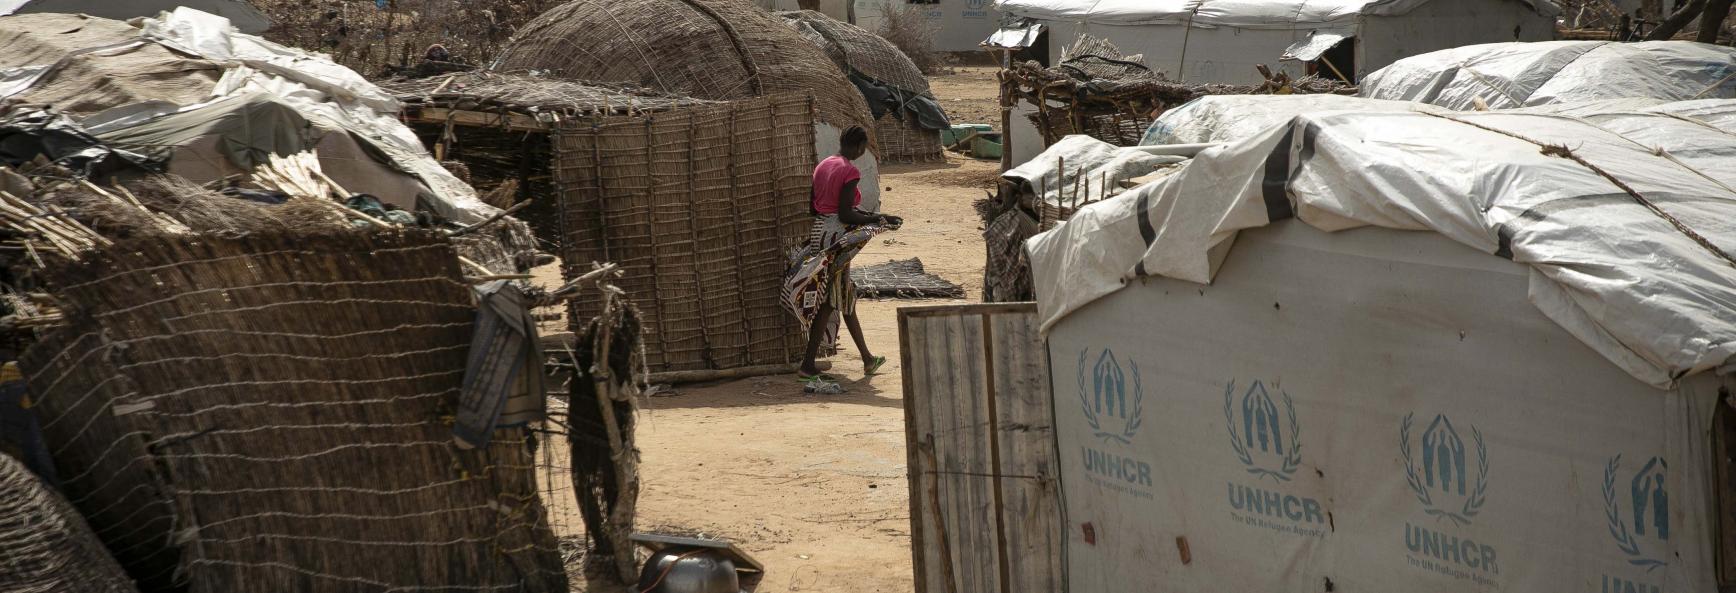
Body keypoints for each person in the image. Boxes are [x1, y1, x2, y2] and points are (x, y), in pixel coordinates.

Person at [789, 126, 901, 390]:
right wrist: (877, 218)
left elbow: (813, 207)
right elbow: (846, 215)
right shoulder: (849, 170)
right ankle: (807, 365)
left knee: (843, 294)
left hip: (820, 233)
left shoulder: (824, 165)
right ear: (861, 146)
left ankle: (867, 358)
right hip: (837, 239)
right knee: (829, 301)